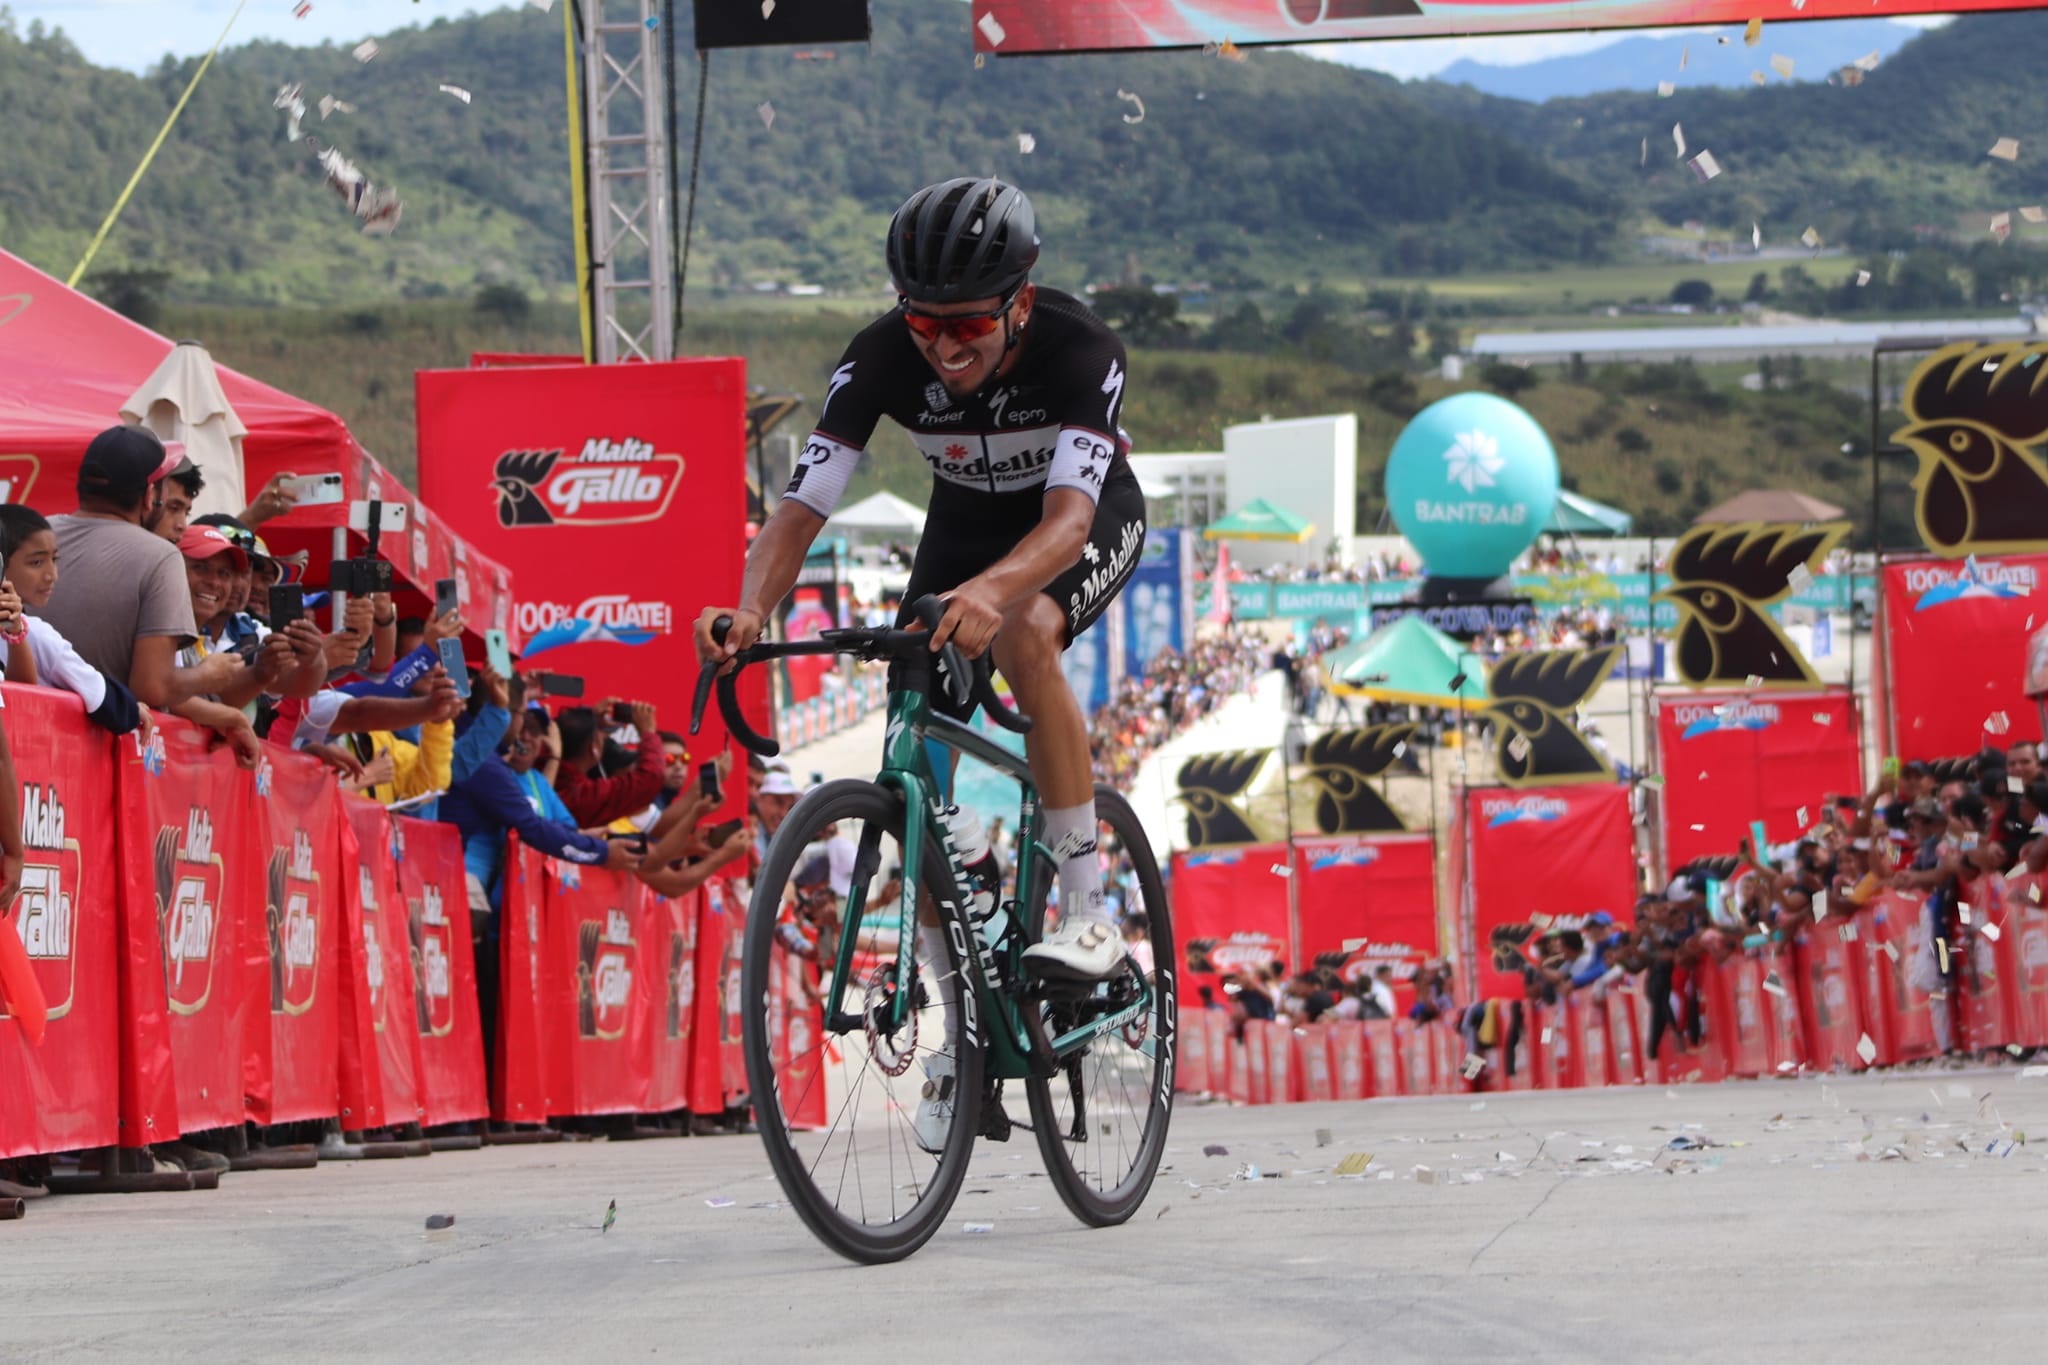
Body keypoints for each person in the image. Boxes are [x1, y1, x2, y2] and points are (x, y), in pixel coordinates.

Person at [697, 176, 1143, 987]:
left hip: (1076, 521)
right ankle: (953, 1029)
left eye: (970, 322)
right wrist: (750, 605)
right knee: (914, 779)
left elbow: (1071, 522)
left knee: (1024, 629)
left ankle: (1088, 912)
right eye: (924, 322)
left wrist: (994, 591)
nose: (944, 346)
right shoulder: (876, 357)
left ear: (1021, 301)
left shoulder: (1081, 348)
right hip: (963, 529)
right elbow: (798, 511)